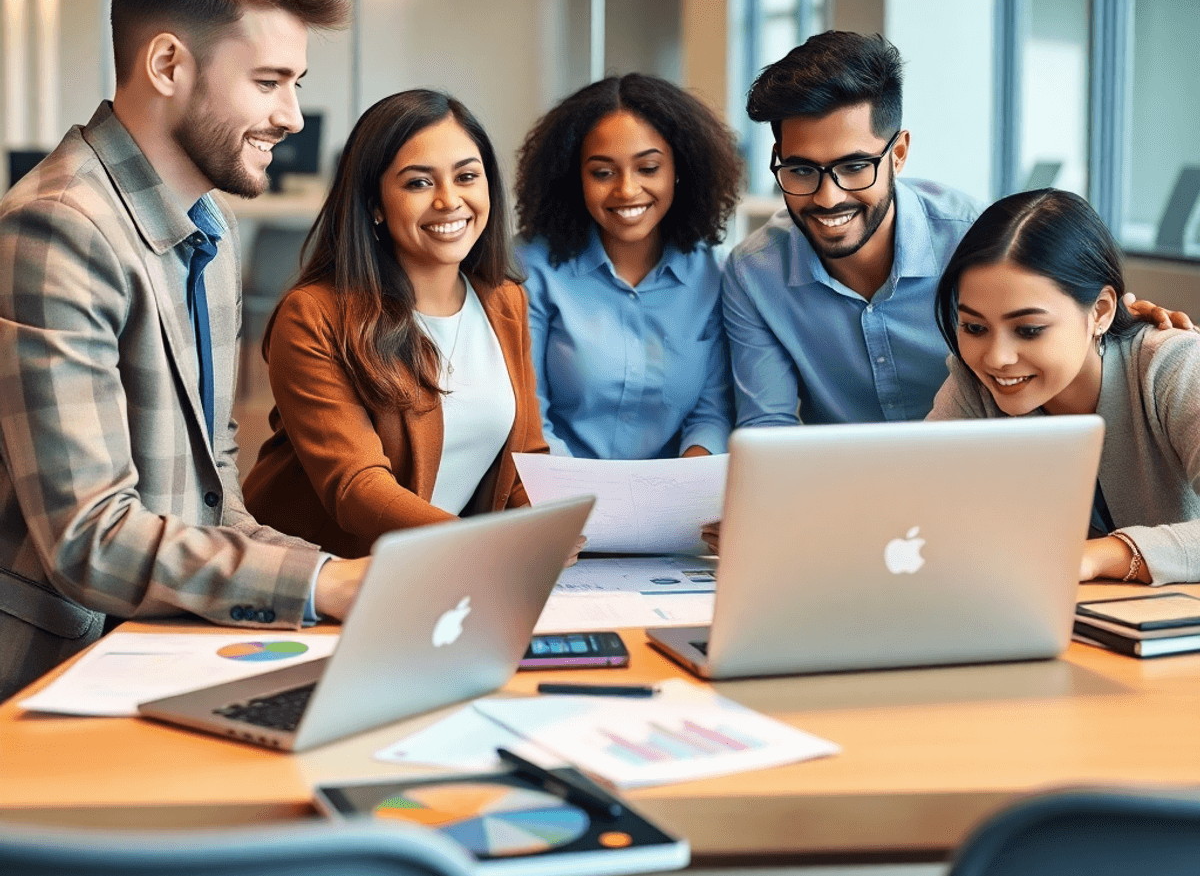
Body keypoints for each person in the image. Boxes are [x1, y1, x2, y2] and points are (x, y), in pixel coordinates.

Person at [0, 0, 365, 702]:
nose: (293, 116)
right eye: (268, 82)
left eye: (294, 84)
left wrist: (337, 582)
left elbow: (212, 493)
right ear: (168, 63)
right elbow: (88, 539)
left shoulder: (210, 226)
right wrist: (324, 584)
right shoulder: (59, 226)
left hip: (163, 643)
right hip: (51, 676)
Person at [722, 30, 1193, 429]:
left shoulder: (978, 242)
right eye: (801, 170)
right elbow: (769, 429)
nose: (828, 198)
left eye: (854, 166)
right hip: (848, 497)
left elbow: (1070, 332)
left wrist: (1122, 332)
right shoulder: (754, 272)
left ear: (899, 153)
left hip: (996, 481)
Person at [243, 90, 551, 559]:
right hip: (318, 579)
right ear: (375, 204)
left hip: (449, 567)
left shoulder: (505, 302)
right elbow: (357, 488)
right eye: (418, 184)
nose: (450, 201)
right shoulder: (314, 315)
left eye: (467, 176)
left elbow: (525, 460)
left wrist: (550, 530)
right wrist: (489, 544)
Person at [929, 190, 1200, 585]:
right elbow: (918, 511)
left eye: (1029, 330)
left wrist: (1099, 556)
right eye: (975, 327)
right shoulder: (974, 384)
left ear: (1101, 311)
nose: (996, 357)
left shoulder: (1172, 366)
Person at [513, 74, 742, 461]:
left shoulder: (713, 274)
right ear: (575, 178)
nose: (627, 190)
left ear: (679, 170)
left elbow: (711, 413)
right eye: (603, 173)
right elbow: (529, 418)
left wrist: (685, 489)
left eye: (648, 168)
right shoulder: (531, 268)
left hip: (675, 500)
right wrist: (573, 501)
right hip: (562, 495)